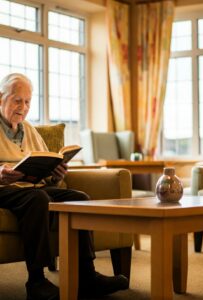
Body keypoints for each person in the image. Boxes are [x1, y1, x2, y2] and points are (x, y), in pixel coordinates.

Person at [0, 73, 129, 300]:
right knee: (39, 198)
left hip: (33, 187)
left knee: (79, 198)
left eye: (28, 101)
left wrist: (55, 175)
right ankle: (36, 282)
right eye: (17, 100)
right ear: (1, 98)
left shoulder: (29, 129)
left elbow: (43, 166)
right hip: (5, 189)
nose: (23, 107)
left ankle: (86, 276)